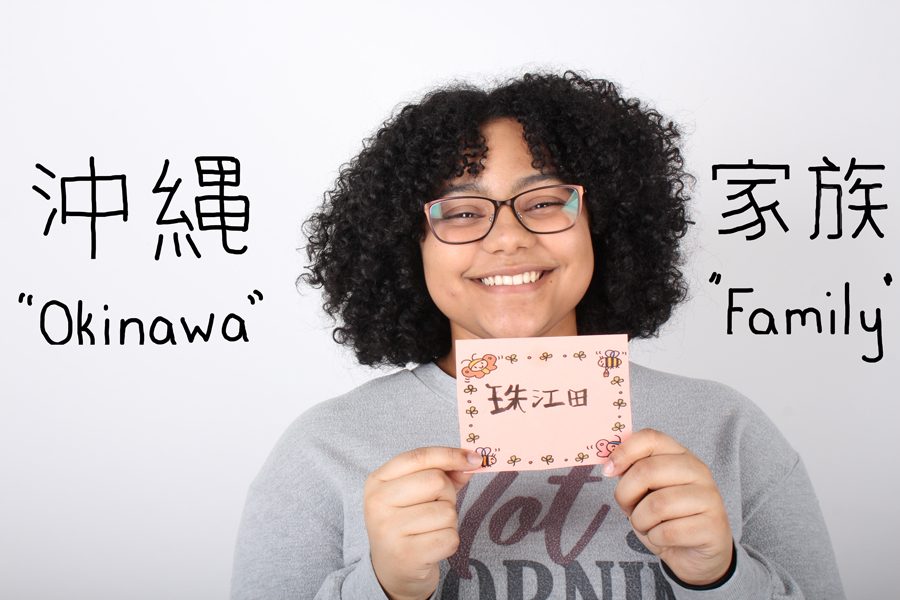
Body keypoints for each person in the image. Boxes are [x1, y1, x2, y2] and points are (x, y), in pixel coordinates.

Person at [231, 72, 844, 599]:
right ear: (406, 246)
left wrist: (722, 575)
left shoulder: (726, 427)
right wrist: (382, 586)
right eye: (464, 212)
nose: (508, 239)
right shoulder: (323, 448)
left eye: (545, 202)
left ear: (600, 225)